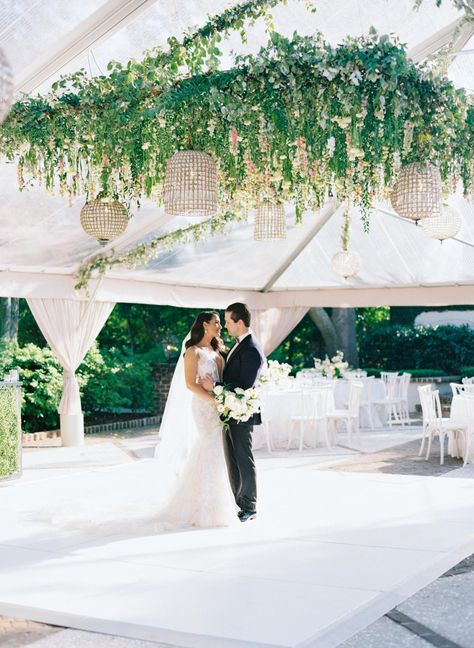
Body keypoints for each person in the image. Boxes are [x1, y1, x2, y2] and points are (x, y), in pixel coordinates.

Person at [155, 310, 238, 529]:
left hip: (220, 405)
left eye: (221, 323)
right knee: (208, 446)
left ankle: (217, 500)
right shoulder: (193, 352)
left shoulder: (218, 350)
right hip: (204, 406)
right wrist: (213, 400)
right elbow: (190, 384)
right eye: (216, 322)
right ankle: (205, 507)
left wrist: (223, 399)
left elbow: (222, 380)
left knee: (216, 449)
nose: (220, 326)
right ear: (204, 324)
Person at [200, 303, 264, 522]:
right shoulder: (239, 345)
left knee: (243, 458)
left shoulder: (252, 349)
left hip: (241, 412)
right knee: (232, 459)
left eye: (227, 321)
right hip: (230, 411)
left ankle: (250, 506)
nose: (225, 326)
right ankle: (239, 504)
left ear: (238, 322)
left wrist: (214, 388)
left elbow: (243, 387)